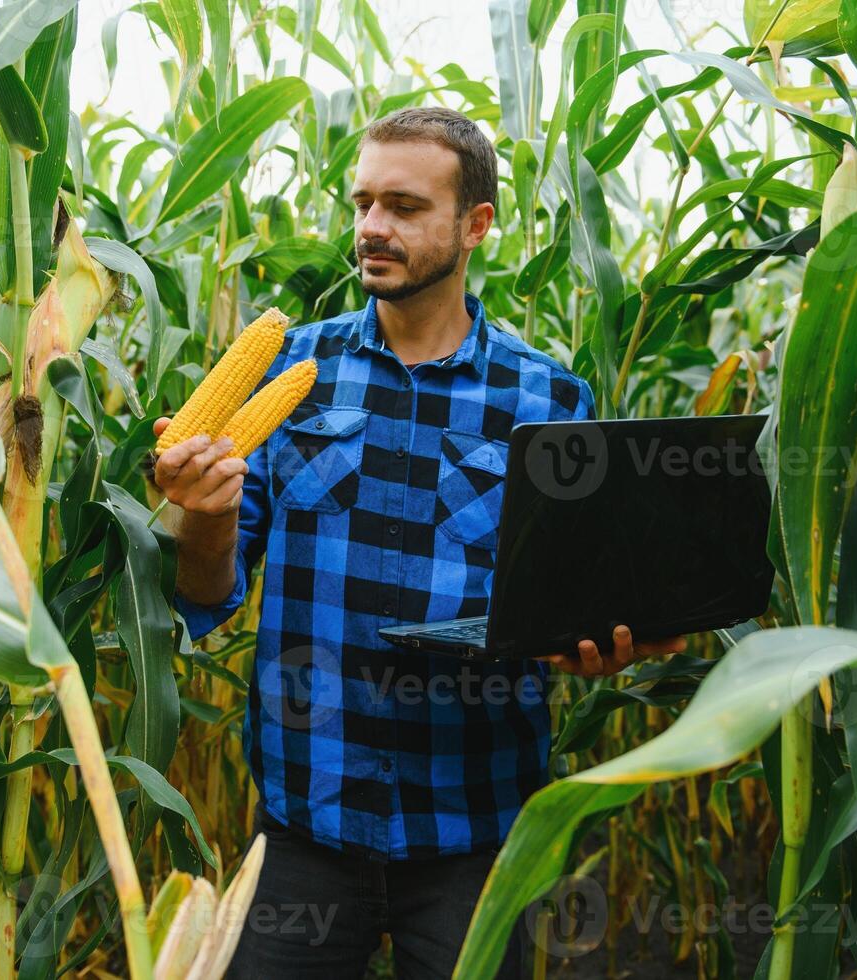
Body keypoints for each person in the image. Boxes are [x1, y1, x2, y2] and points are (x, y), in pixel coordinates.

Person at [151, 106, 686, 979]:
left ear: (474, 225)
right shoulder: (292, 375)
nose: (370, 228)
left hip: (472, 830)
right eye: (361, 202)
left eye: (402, 206)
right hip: (307, 820)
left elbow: (567, 608)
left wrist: (592, 646)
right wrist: (203, 514)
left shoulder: (547, 400)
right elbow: (205, 596)